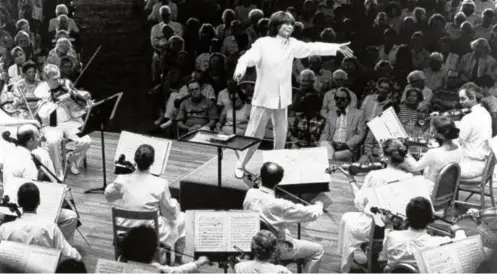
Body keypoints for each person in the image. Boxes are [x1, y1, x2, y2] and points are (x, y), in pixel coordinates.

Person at [232, 10, 353, 178]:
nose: (289, 27)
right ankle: (240, 164)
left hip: (283, 99)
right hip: (264, 98)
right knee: (254, 135)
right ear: (275, 25)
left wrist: (336, 47)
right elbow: (247, 58)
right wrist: (240, 71)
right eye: (285, 24)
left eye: (291, 24)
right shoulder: (263, 43)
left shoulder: (293, 44)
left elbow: (312, 48)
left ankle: (274, 168)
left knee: (281, 136)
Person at [338, 138, 414, 273]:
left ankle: (346, 266)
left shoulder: (375, 175)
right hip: (396, 226)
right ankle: (370, 258)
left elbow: (359, 203)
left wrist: (351, 179)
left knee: (346, 217)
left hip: (375, 227)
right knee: (349, 218)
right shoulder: (408, 177)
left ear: (384, 156)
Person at [104, 144, 186, 264]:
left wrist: (122, 176)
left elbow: (108, 196)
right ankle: (178, 261)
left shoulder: (122, 180)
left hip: (125, 233)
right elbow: (171, 215)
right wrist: (175, 203)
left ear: (135, 161)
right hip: (151, 235)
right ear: (152, 162)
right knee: (182, 217)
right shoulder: (160, 183)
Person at [1, 124, 79, 244]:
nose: (40, 139)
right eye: (38, 137)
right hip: (23, 208)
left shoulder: (11, 155)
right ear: (31, 140)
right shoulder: (28, 162)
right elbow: (31, 192)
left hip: (9, 202)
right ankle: (57, 250)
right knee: (71, 217)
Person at [243, 162, 325, 273]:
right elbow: (310, 214)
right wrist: (319, 205)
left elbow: (260, 196)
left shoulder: (250, 193)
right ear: (279, 181)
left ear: (260, 176)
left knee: (281, 226)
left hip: (253, 241)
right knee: (318, 251)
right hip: (275, 247)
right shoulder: (280, 204)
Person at [34, 64, 91, 177]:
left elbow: (77, 96)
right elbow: (43, 114)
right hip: (51, 124)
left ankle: (74, 162)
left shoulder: (66, 84)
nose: (59, 81)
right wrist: (56, 101)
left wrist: (82, 99)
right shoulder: (40, 90)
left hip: (70, 121)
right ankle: (57, 170)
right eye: (55, 79)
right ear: (46, 79)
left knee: (86, 140)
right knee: (53, 142)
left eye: (59, 77)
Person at [379, 197, 466, 271]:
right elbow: (463, 243)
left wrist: (388, 226)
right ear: (430, 219)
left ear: (407, 217)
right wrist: (458, 230)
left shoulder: (392, 236)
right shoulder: (438, 243)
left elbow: (383, 259)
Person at [0, 182, 81, 261]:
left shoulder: (4, 229)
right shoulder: (50, 228)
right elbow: (72, 255)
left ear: (19, 203)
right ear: (39, 201)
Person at [121, 225, 210, 273]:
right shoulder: (157, 269)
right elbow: (179, 271)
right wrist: (199, 262)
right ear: (152, 253)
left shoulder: (121, 261)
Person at [403, 116, 462, 184]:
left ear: (440, 136)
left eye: (433, 132)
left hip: (430, 188)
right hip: (447, 188)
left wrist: (406, 153)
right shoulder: (459, 147)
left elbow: (416, 167)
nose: (432, 134)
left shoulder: (433, 153)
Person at [319, 87, 366, 161]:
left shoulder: (358, 114)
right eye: (337, 98)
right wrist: (320, 145)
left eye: (342, 99)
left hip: (347, 148)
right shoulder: (331, 113)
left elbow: (360, 134)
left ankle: (329, 165)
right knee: (324, 145)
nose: (339, 101)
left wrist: (346, 145)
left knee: (332, 156)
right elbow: (326, 132)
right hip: (332, 145)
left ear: (349, 101)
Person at [458, 83, 492, 179]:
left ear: (473, 98)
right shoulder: (486, 113)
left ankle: (433, 193)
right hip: (483, 165)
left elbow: (458, 141)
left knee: (434, 164)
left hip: (470, 166)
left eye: (463, 99)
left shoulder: (468, 118)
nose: (460, 102)